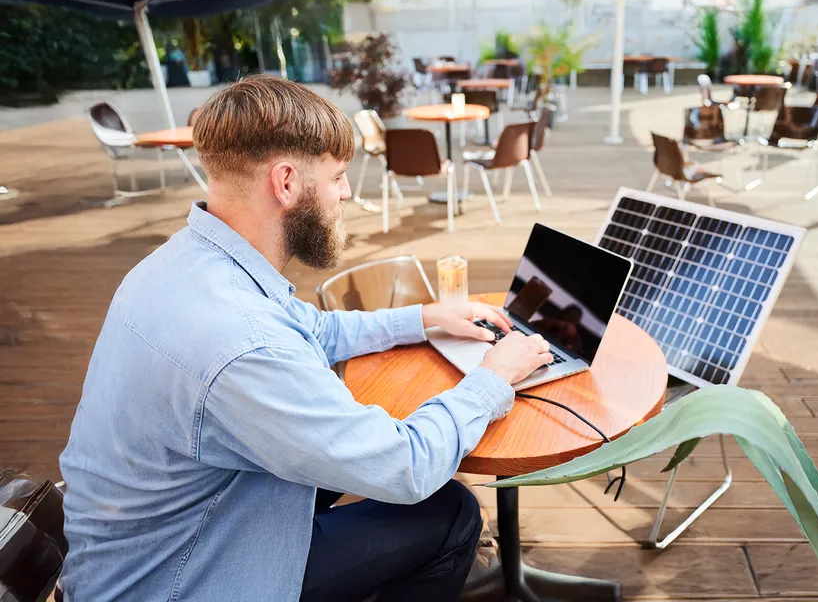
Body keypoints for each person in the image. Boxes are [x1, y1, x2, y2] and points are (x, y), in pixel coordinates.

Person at [57, 74, 554, 601]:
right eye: (338, 175)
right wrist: (493, 377)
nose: (346, 191)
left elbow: (312, 328)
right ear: (287, 182)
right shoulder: (243, 343)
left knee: (359, 443)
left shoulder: (186, 261)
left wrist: (426, 317)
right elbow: (405, 466)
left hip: (164, 534)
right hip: (182, 577)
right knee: (451, 511)